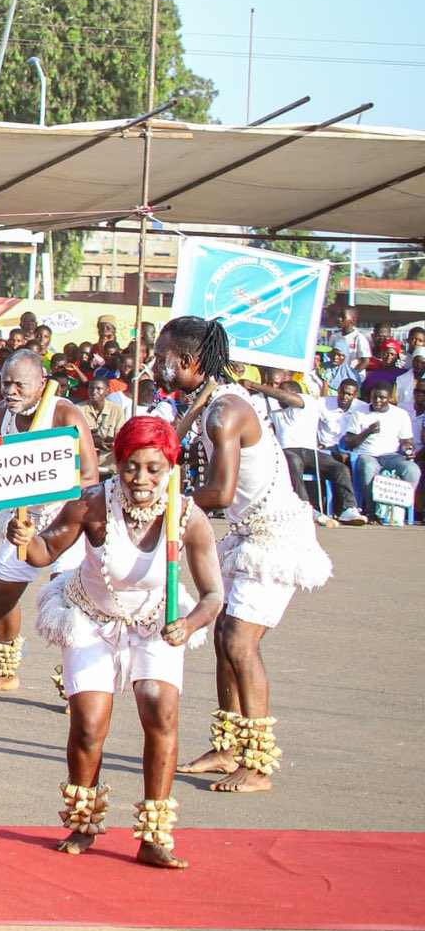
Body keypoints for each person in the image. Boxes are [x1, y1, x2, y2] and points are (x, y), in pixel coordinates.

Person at [16, 415, 223, 869]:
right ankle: (82, 822)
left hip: (158, 619)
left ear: (169, 467)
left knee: (159, 710)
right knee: (89, 723)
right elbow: (43, 553)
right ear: (118, 464)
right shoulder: (91, 504)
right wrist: (25, 539)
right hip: (90, 613)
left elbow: (213, 595)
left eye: (153, 468)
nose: (141, 479)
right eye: (131, 466)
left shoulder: (187, 516)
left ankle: (154, 836)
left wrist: (188, 624)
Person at [156, 317, 332, 794]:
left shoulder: (224, 411)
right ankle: (228, 746)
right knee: (223, 639)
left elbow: (219, 490)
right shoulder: (206, 404)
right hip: (247, 533)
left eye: (161, 357)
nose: (155, 364)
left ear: (188, 362)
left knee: (238, 641)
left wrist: (163, 503)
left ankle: (257, 763)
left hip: (275, 538)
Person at [0, 349, 102, 698]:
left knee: (70, 604)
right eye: (6, 383)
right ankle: (5, 671)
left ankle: (76, 688)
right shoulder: (3, 411)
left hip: (66, 520)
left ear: (42, 383)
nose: (10, 391)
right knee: (0, 593)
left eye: (20, 385)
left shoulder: (64, 412)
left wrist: (42, 477)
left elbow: (90, 476)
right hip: (22, 521)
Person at [254, 365, 361, 525]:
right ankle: (305, 508)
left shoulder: (309, 401)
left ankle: (348, 509)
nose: (279, 398)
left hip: (311, 453)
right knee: (293, 463)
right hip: (288, 452)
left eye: (283, 394)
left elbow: (288, 398)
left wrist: (253, 384)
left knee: (340, 468)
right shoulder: (276, 413)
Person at [341, 382, 417, 521]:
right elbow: (348, 443)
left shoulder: (400, 414)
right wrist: (368, 432)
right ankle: (371, 511)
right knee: (368, 467)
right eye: (374, 397)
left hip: (391, 455)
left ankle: (400, 510)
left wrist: (407, 450)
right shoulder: (359, 412)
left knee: (412, 469)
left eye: (382, 398)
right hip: (367, 454)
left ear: (389, 398)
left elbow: (407, 441)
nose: (377, 401)